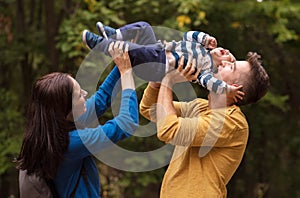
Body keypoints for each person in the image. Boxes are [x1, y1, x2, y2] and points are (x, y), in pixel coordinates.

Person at [139, 51, 270, 197]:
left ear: (233, 87)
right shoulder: (200, 107)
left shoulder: (232, 122)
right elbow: (150, 109)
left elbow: (169, 131)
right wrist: (159, 77)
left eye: (231, 67)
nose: (224, 63)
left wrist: (168, 79)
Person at [17, 42, 138, 197]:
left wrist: (124, 63)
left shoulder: (52, 130)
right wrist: (126, 73)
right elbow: (126, 124)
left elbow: (102, 98)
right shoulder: (69, 144)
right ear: (67, 108)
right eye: (79, 95)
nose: (86, 94)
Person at [82, 21, 243, 101]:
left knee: (134, 49)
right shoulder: (200, 48)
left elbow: (211, 84)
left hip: (157, 66)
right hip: (159, 50)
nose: (226, 51)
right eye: (226, 51)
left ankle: (101, 45)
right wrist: (205, 38)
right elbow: (187, 35)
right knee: (145, 27)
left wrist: (228, 88)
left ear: (220, 66)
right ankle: (114, 35)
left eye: (228, 58)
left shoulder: (204, 71)